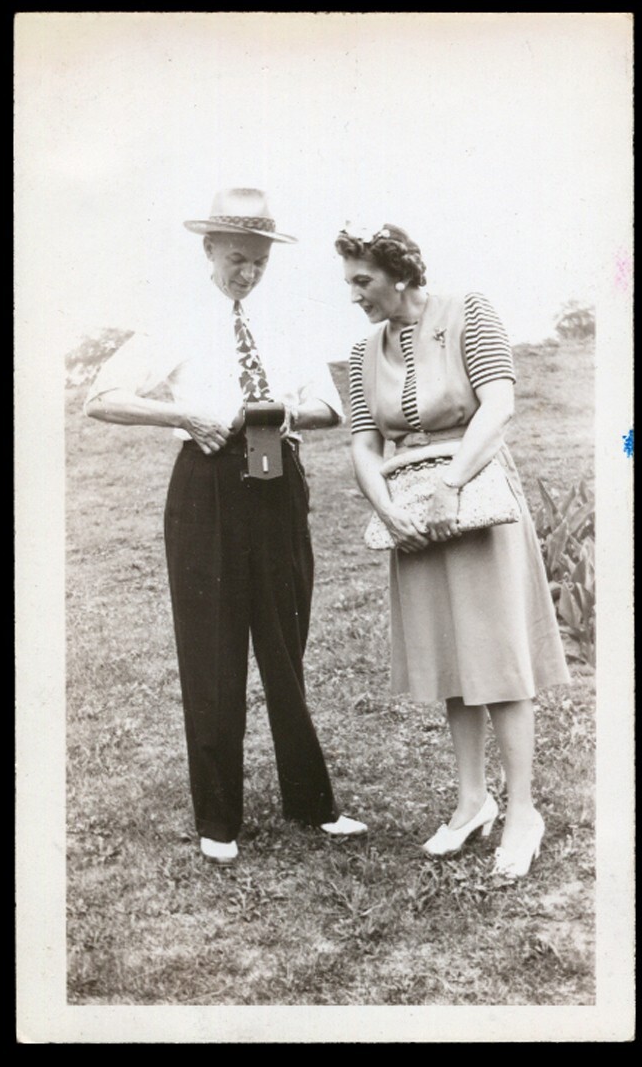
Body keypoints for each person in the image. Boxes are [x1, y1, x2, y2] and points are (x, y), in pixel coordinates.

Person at [84, 187, 367, 865]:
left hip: (278, 481)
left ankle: (310, 802)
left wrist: (289, 413)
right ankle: (219, 818)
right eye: (238, 259)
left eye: (259, 263)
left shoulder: (287, 321)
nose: (248, 273)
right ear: (208, 249)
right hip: (206, 483)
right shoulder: (172, 319)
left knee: (285, 640)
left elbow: (334, 405)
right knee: (212, 652)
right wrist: (188, 417)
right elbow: (103, 397)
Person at [335, 222, 570, 879]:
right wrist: (385, 507)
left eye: (363, 280)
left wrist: (451, 481)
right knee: (450, 655)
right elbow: (362, 441)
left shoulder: (468, 311)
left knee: (498, 653)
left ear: (399, 273)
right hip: (410, 508)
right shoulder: (363, 352)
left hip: (476, 493)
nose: (355, 295)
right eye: (349, 283)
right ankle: (472, 800)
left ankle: (523, 809)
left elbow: (498, 404)